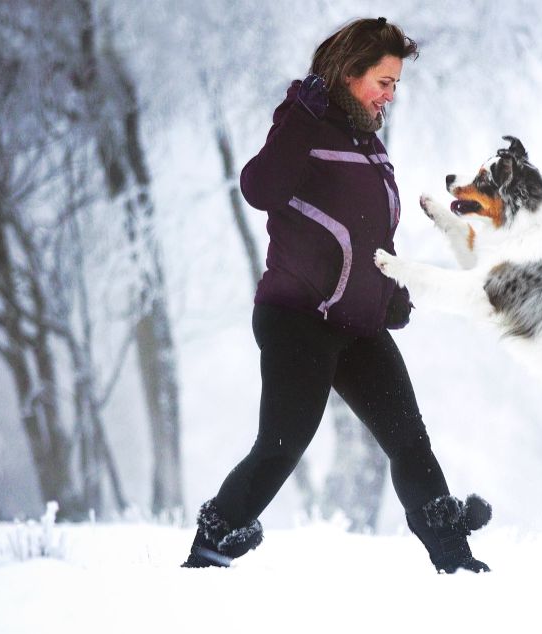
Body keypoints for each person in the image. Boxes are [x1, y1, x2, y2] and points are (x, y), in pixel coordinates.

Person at [180, 17, 491, 573]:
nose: (390, 94)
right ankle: (209, 549)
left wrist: (389, 291)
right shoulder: (303, 124)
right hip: (297, 317)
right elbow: (260, 189)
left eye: (396, 83)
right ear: (348, 75)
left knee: (409, 441)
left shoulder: (369, 144)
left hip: (356, 324)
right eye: (383, 81)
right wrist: (302, 113)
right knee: (282, 443)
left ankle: (455, 561)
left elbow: (371, 231)